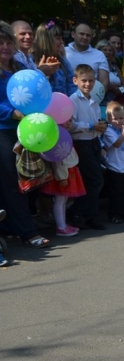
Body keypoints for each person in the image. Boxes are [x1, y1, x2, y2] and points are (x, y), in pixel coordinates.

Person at [0, 21, 52, 251]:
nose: (5, 47)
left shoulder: (20, 69)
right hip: (3, 132)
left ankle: (12, 227)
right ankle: (27, 232)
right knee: (13, 183)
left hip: (25, 132)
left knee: (27, 181)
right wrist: (12, 113)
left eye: (8, 42)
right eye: (0, 43)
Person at [67, 64, 107, 230]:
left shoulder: (94, 101)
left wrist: (100, 138)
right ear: (75, 80)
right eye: (84, 81)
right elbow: (70, 125)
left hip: (94, 143)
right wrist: (91, 126)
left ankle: (90, 216)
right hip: (81, 143)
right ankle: (76, 212)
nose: (87, 84)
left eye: (91, 81)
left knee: (92, 180)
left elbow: (97, 124)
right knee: (95, 180)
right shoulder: (73, 101)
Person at [40, 120, 85, 237]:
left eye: (70, 120)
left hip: (69, 170)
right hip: (64, 172)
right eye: (66, 121)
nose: (69, 123)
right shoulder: (58, 137)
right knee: (60, 200)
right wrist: (61, 176)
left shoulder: (64, 135)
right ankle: (61, 227)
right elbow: (58, 160)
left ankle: (63, 224)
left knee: (63, 200)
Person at [102, 101, 124, 223]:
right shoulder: (108, 131)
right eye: (116, 119)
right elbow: (116, 144)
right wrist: (123, 135)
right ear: (109, 119)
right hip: (114, 166)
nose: (120, 121)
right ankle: (115, 215)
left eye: (121, 118)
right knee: (116, 193)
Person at [33, 22, 76, 96]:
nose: (62, 42)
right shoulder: (31, 61)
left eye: (61, 38)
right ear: (46, 40)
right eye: (58, 38)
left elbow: (72, 88)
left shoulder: (63, 62)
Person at [65, 23, 109, 90]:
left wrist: (96, 99)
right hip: (66, 97)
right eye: (82, 34)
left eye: (88, 35)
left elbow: (104, 83)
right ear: (73, 34)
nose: (85, 37)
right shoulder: (63, 52)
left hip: (92, 98)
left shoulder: (99, 55)